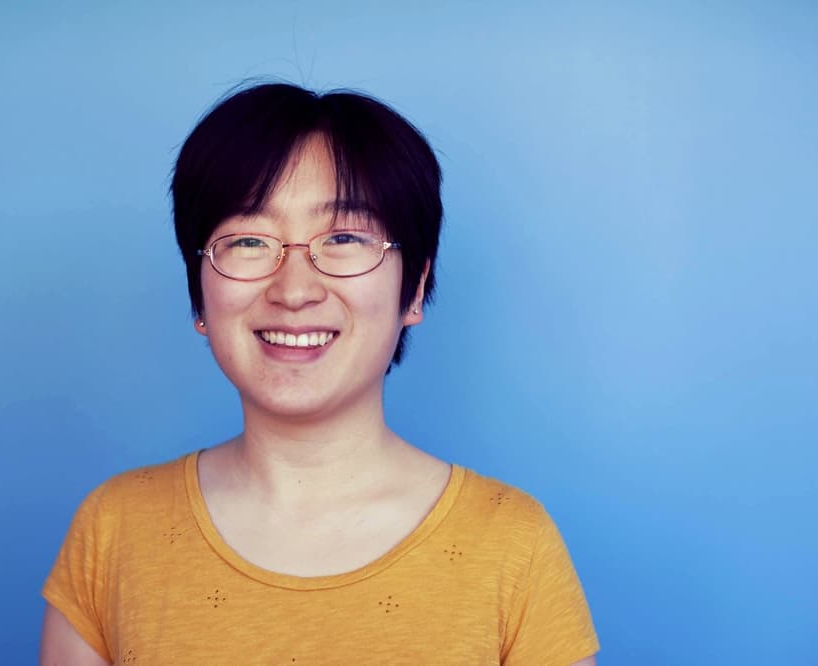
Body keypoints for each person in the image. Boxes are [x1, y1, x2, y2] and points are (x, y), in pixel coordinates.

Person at [39, 82, 599, 665]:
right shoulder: (115, 531)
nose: (296, 290)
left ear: (418, 288)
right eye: (250, 240)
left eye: (345, 238)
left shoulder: (513, 545)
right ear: (200, 293)